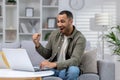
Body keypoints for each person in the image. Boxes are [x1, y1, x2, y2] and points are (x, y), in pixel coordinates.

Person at [32, 10, 86, 80]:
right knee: (36, 71)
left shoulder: (80, 38)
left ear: (71, 21)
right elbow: (47, 54)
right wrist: (37, 44)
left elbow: (75, 60)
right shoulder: (54, 34)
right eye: (58, 21)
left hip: (68, 68)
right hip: (54, 69)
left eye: (62, 21)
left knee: (73, 70)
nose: (59, 24)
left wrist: (54, 64)